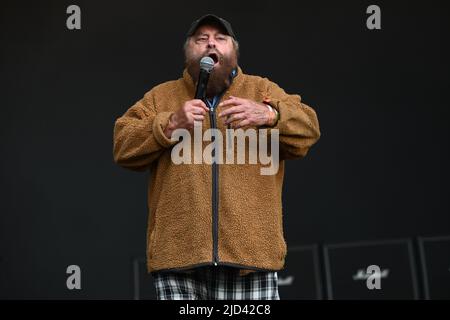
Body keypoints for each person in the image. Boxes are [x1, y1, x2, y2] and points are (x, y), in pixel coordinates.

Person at [113, 14, 320, 300]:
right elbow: (122, 145)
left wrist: (271, 114)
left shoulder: (263, 91)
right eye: (201, 39)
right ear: (187, 53)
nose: (211, 44)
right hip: (179, 261)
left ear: (234, 51)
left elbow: (309, 128)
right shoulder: (160, 98)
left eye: (220, 38)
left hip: (250, 260)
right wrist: (170, 123)